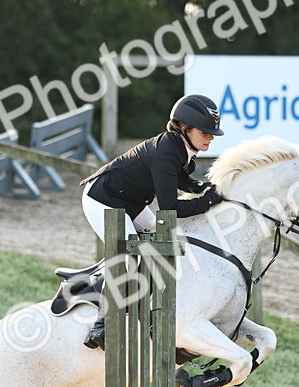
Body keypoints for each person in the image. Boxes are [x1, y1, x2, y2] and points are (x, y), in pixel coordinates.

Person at [77, 93, 226, 349]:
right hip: (103, 199)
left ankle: (154, 307)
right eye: (205, 131)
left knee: (167, 241)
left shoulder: (179, 147)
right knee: (128, 256)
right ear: (184, 128)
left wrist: (204, 187)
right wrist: (208, 201)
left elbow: (179, 180)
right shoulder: (167, 152)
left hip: (130, 202)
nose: (211, 136)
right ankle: (99, 326)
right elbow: (170, 208)